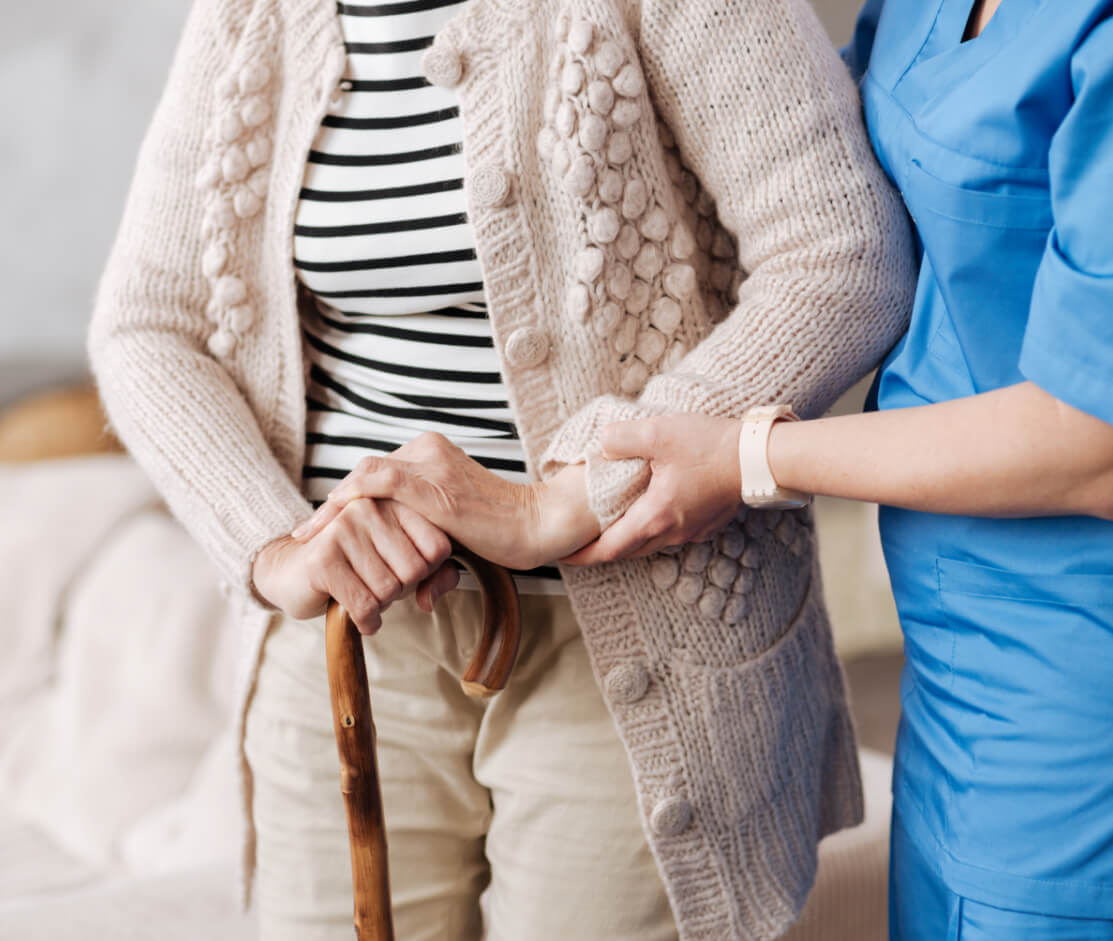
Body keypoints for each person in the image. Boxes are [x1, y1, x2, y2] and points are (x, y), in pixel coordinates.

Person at [88, 0, 914, 938]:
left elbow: (843, 254)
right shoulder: (251, 15)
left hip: (634, 626)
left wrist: (574, 492)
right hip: (352, 647)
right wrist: (272, 544)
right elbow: (150, 324)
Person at [537, 1, 1113, 938]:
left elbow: (1092, 438)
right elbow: (814, 174)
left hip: (1076, 668)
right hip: (956, 642)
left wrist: (751, 455)